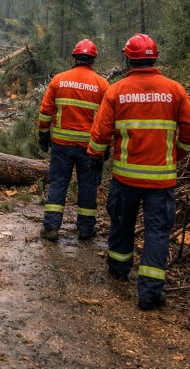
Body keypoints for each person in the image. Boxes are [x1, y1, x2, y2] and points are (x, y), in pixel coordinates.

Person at [87, 33, 190, 310]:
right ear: (155, 58)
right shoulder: (174, 90)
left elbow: (100, 133)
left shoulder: (117, 90)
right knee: (157, 233)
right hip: (160, 180)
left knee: (122, 223)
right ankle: (149, 293)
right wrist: (176, 154)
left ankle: (118, 269)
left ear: (128, 59)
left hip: (125, 178)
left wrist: (94, 156)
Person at [37, 39, 109, 242]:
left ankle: (51, 228)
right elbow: (107, 120)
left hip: (61, 144)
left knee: (59, 183)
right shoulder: (102, 84)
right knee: (87, 186)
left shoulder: (59, 80)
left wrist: (43, 135)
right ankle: (85, 230)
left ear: (74, 58)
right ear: (92, 60)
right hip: (90, 147)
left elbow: (45, 111)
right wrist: (106, 147)